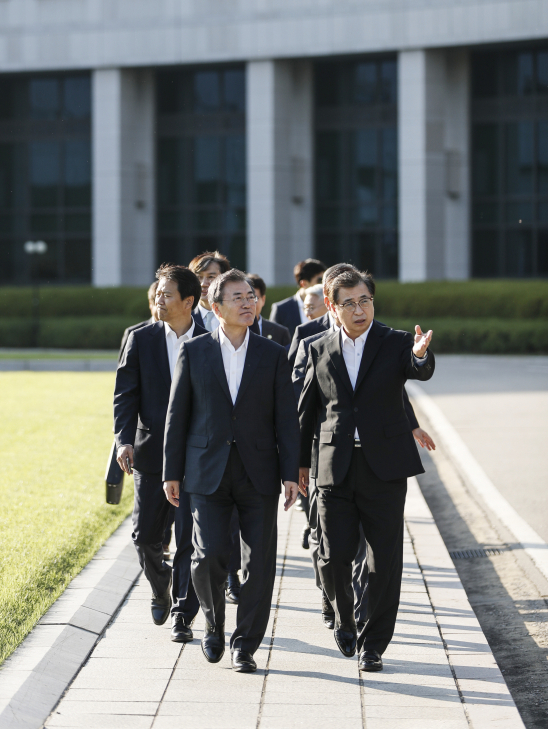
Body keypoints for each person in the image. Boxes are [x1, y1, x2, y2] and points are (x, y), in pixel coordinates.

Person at [298, 266, 436, 673]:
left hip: (385, 468)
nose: (359, 310)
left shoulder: (394, 343)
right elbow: (308, 411)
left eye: (365, 301)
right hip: (333, 465)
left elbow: (418, 369)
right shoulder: (318, 346)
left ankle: (373, 644)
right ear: (331, 305)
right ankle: (343, 618)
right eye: (350, 303)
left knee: (383, 559)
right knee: (332, 555)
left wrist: (419, 354)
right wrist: (299, 465)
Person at [163, 269, 300, 673]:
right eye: (237, 297)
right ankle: (212, 622)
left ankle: (245, 645)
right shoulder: (195, 351)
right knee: (207, 557)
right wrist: (172, 471)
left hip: (259, 473)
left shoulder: (273, 353)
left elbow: (286, 420)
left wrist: (291, 472)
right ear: (215, 306)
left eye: (251, 297)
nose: (247, 303)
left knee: (259, 564)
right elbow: (177, 415)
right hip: (206, 471)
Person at [114, 265, 207, 643]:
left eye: (167, 294)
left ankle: (183, 615)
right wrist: (123, 439)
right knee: (144, 536)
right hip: (151, 452)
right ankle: (160, 585)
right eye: (157, 293)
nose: (158, 299)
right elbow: (125, 394)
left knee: (189, 539)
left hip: (197, 456)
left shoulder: (213, 338)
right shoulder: (139, 338)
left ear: (189, 301)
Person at [269, 258, 326, 336]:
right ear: (304, 283)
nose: (323, 285)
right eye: (319, 281)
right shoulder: (281, 310)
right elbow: (274, 343)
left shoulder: (326, 305)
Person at [189, 251, 231, 333]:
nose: (203, 284)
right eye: (199, 277)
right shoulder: (184, 317)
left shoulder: (237, 315)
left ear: (224, 279)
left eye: (211, 277)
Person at [118, 281, 158, 364]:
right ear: (150, 304)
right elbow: (123, 372)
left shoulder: (182, 331)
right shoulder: (133, 333)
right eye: (158, 304)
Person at [247, 273, 291, 347]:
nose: (248, 304)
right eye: (244, 298)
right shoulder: (230, 331)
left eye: (253, 298)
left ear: (263, 300)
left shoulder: (280, 333)